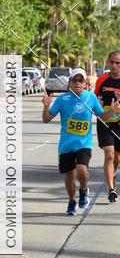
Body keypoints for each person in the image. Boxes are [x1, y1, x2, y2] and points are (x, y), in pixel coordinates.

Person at [42, 67, 119, 215]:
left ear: (85, 83)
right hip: (66, 145)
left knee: (81, 169)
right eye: (74, 80)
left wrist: (112, 110)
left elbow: (102, 118)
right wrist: (46, 107)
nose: (78, 83)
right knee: (69, 174)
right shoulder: (62, 99)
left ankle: (83, 190)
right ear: (69, 83)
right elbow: (46, 119)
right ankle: (72, 201)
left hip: (84, 143)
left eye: (80, 80)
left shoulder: (91, 98)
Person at [94, 51, 120, 202]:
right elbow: (94, 100)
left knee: (117, 157)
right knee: (109, 154)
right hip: (105, 122)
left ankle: (112, 174)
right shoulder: (102, 80)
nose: (115, 66)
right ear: (108, 63)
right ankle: (111, 189)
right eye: (112, 62)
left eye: (118, 63)